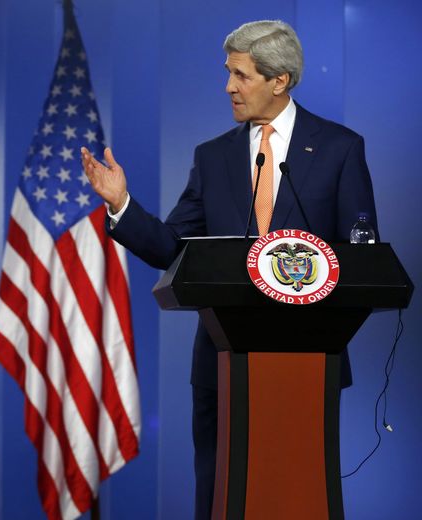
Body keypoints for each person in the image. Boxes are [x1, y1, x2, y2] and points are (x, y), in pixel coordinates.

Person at [81, 20, 378, 519]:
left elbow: (360, 255)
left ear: (279, 80)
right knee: (219, 493)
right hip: (222, 361)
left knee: (296, 492)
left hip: (307, 359)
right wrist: (121, 206)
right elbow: (172, 248)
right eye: (228, 74)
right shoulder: (213, 156)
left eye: (240, 75)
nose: (229, 87)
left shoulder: (339, 149)